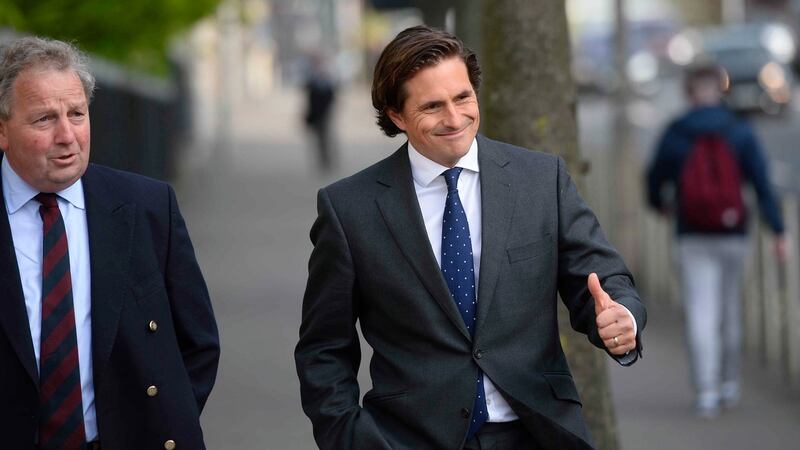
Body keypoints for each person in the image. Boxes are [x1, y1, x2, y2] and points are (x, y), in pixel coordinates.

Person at [295, 25, 645, 450]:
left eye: (463, 97)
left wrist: (620, 318)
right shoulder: (349, 208)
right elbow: (323, 348)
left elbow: (600, 277)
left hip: (536, 433)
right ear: (396, 115)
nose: (455, 119)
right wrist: (349, 437)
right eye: (432, 106)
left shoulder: (540, 179)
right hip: (407, 438)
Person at [0, 37, 220, 449]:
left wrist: (160, 426)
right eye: (45, 119)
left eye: (77, 114)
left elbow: (198, 341)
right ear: (2, 130)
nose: (67, 135)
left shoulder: (147, 206)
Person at [647, 63, 785, 418]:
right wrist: (778, 229)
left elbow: (654, 178)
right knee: (730, 311)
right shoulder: (739, 130)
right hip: (733, 234)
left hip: (691, 234)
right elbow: (761, 182)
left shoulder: (676, 132)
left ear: (688, 93)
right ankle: (730, 384)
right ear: (718, 91)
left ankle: (706, 393)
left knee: (700, 313)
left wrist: (661, 205)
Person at [303, 53, 337, 173]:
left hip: (324, 114)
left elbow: (331, 96)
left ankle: (328, 160)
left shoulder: (324, 79)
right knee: (321, 139)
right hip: (317, 114)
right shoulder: (314, 79)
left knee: (325, 138)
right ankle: (324, 161)